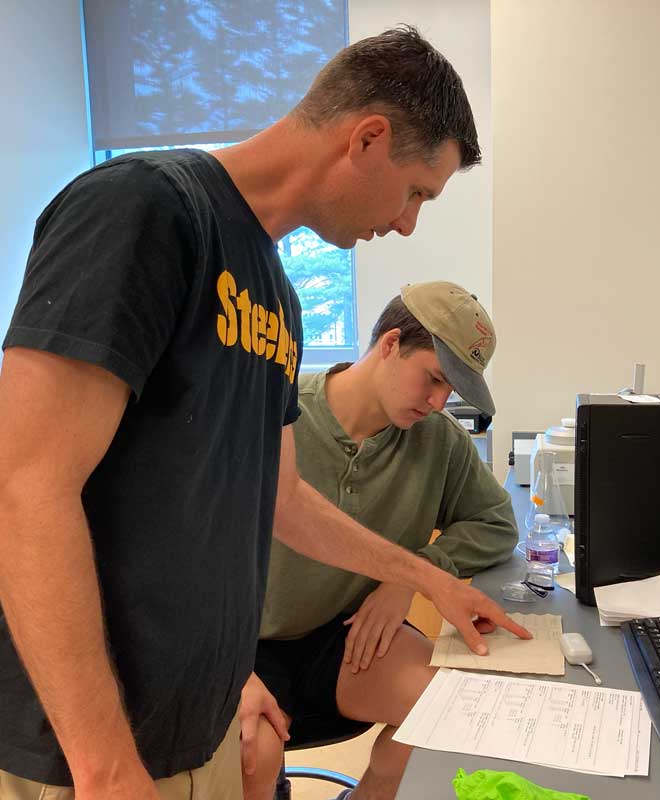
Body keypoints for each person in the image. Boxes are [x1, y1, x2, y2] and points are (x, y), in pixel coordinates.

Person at [0, 24, 529, 800]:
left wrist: (425, 577)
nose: (409, 222)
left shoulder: (276, 300)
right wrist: (106, 767)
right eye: (416, 190)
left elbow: (282, 503)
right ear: (368, 138)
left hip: (200, 726)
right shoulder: (146, 211)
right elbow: (23, 487)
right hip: (94, 749)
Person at [241, 281, 518, 800]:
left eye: (452, 391)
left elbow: (498, 523)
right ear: (390, 344)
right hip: (240, 646)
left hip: (345, 637)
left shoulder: (438, 441)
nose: (439, 403)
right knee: (254, 754)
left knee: (449, 703)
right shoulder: (277, 418)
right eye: (433, 379)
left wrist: (408, 576)